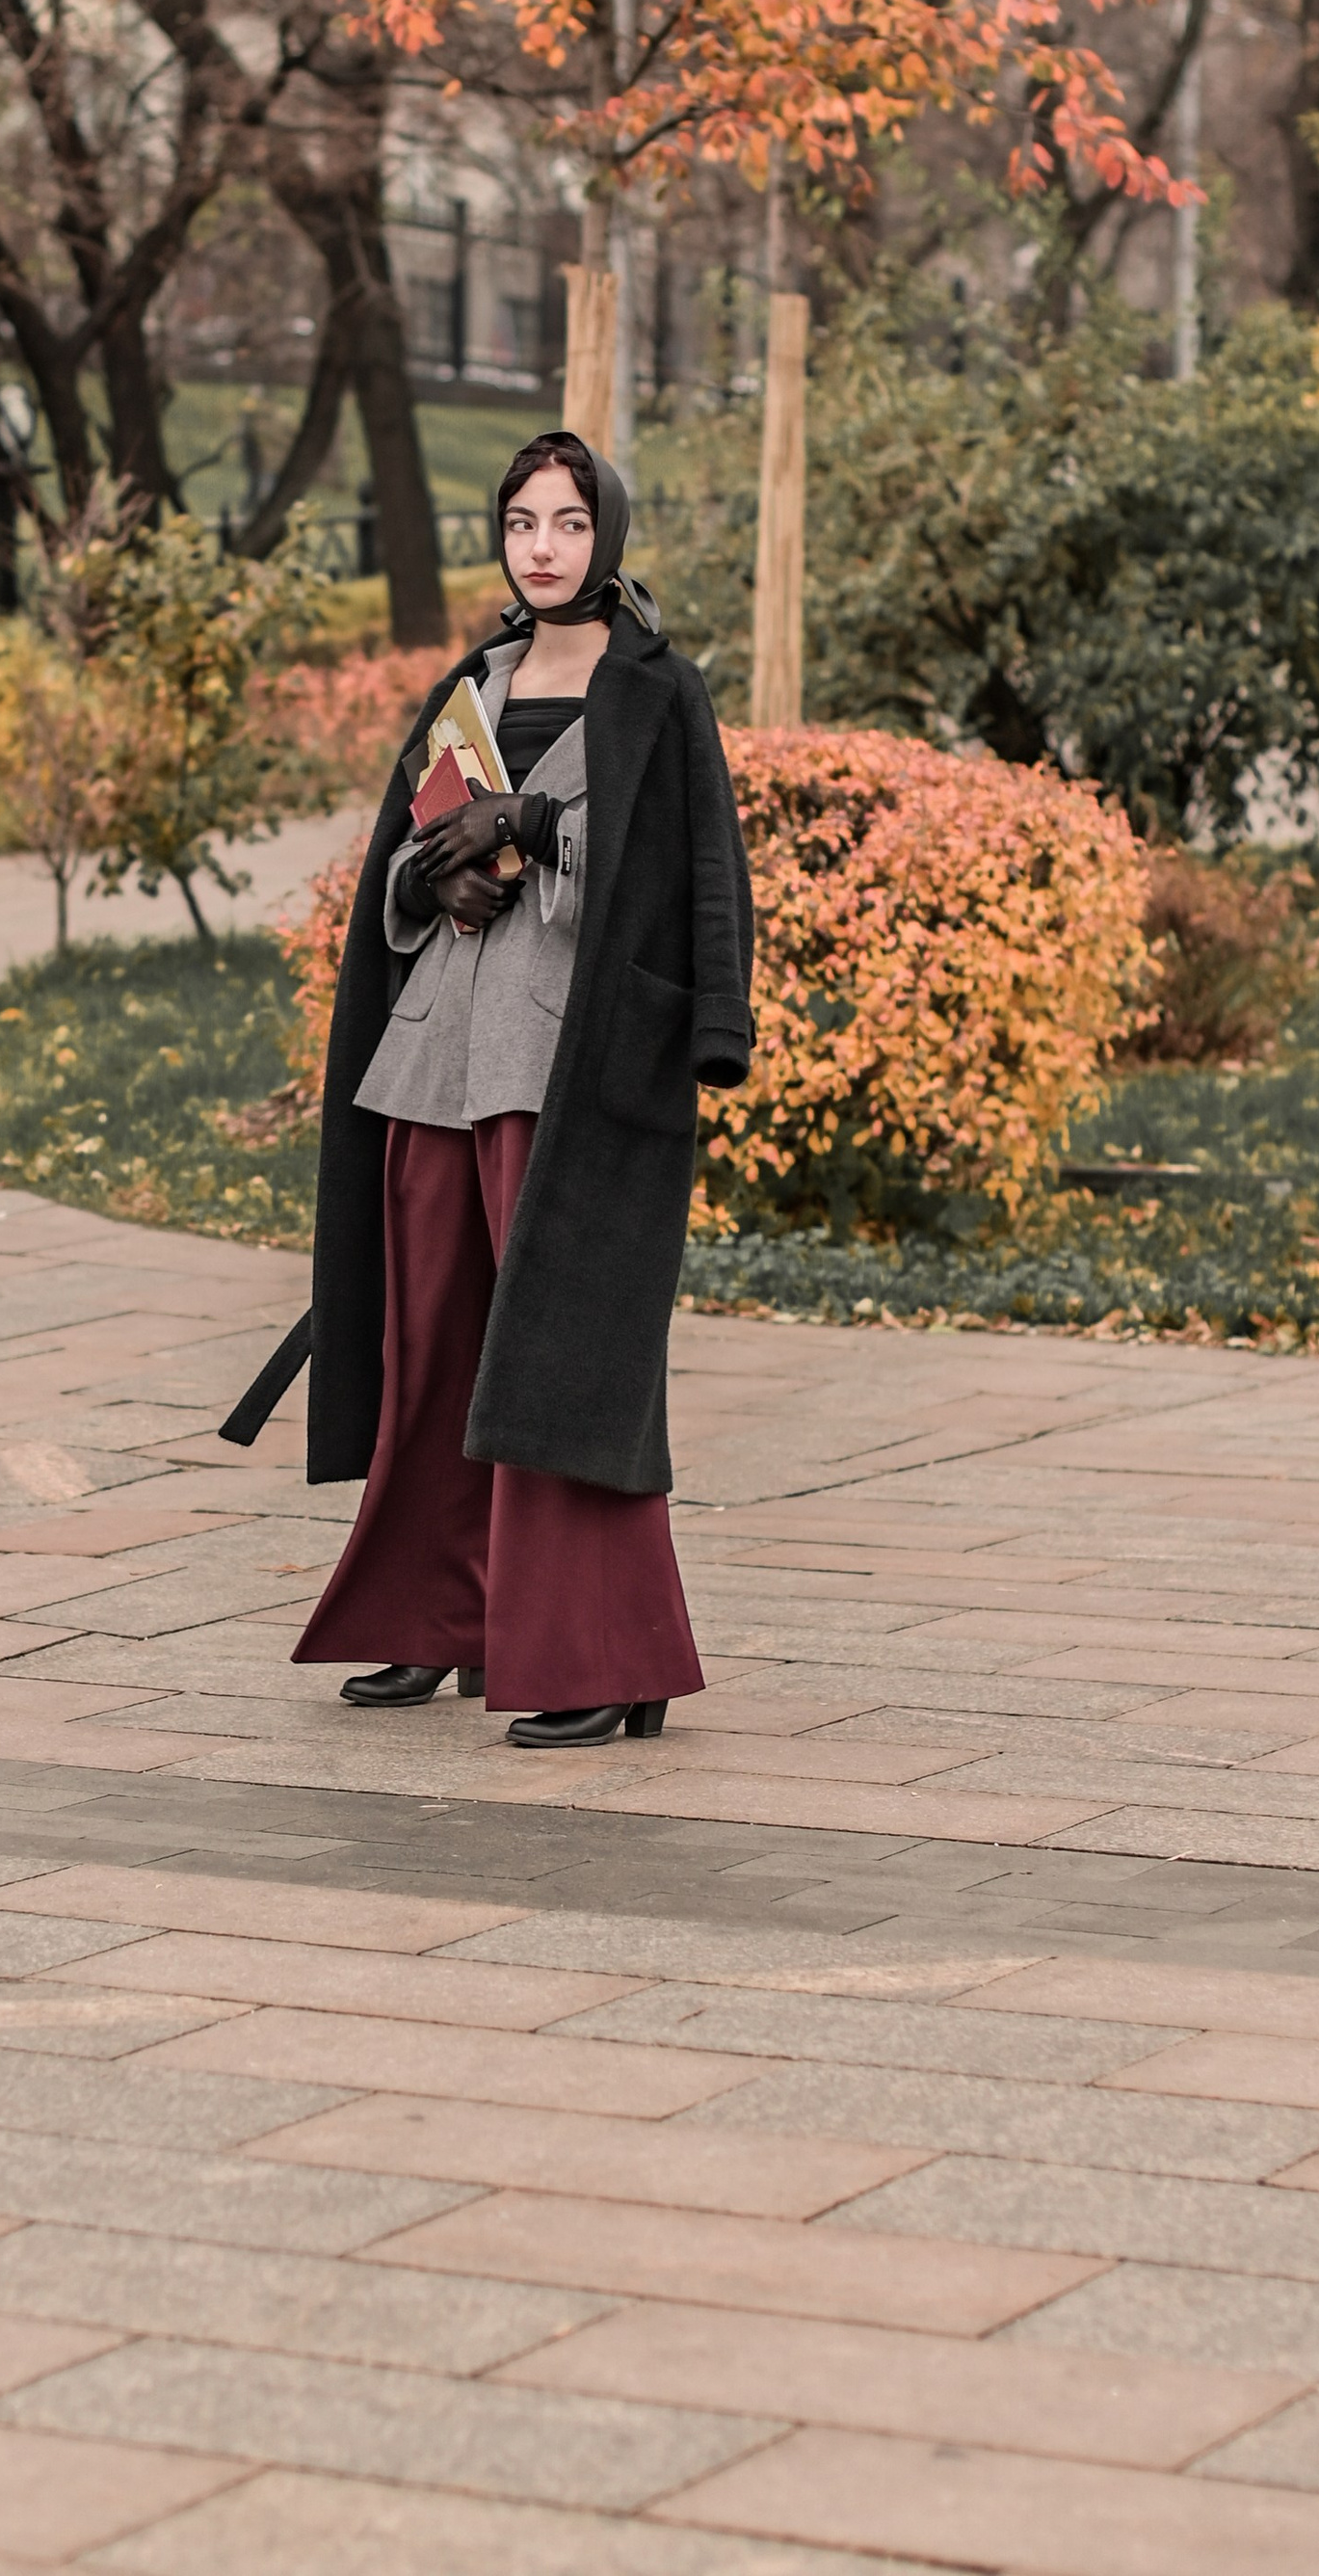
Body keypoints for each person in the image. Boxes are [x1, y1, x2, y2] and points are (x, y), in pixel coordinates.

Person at [220, 431, 753, 1747]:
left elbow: (690, 869)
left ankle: (605, 1653)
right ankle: (437, 1615)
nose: (544, 545)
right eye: (523, 521)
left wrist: (538, 828)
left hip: (564, 1064)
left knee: (563, 1357)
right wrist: (432, 877)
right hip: (433, 1060)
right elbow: (397, 860)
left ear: (607, 535)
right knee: (425, 1347)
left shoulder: (656, 692)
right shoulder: (478, 678)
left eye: (570, 522)